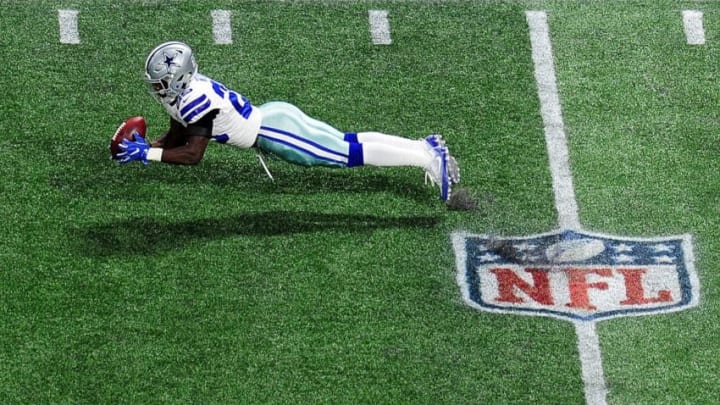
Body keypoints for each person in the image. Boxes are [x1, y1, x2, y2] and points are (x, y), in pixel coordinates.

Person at [118, 41, 460, 201]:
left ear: (178, 77)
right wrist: (150, 146)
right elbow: (179, 131)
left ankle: (427, 158)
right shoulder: (184, 95)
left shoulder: (195, 99)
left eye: (161, 82)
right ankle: (422, 147)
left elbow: (194, 154)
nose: (157, 88)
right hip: (275, 116)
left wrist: (147, 155)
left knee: (346, 154)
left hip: (275, 132)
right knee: (347, 141)